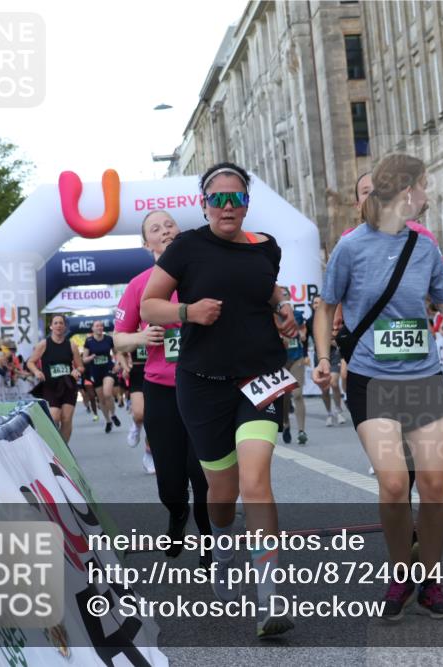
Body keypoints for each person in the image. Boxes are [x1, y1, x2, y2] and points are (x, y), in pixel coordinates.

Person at [314, 153, 443, 620]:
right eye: (423, 187)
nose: (427, 195)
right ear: (405, 191)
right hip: (371, 379)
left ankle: (430, 579)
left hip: (422, 378)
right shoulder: (350, 247)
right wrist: (324, 359)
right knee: (393, 482)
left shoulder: (424, 249)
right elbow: (326, 306)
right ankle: (401, 572)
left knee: (435, 485)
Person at [141, 162, 298, 638]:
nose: (227, 207)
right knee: (223, 496)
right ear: (204, 203)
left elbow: (266, 289)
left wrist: (283, 306)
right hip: (203, 382)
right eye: (218, 199)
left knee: (256, 482)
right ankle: (223, 544)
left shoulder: (266, 246)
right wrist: (189, 311)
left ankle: (270, 598)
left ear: (246, 203)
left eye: (236, 199)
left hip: (259, 378)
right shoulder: (187, 247)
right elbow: (151, 304)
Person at [115, 209, 211, 561]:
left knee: (201, 473)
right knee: (171, 479)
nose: (165, 230)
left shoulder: (202, 275)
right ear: (147, 243)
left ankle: (207, 540)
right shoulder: (140, 285)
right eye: (156, 228)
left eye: (169, 224)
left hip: (203, 385)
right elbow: (119, 340)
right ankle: (177, 513)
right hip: (161, 388)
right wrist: (141, 335)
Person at [27, 314, 84, 443]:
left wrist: (76, 370)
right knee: (54, 417)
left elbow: (80, 366)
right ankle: (55, 444)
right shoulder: (44, 344)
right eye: (56, 323)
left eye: (61, 323)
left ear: (64, 327)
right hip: (51, 387)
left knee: (66, 418)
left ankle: (64, 451)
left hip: (68, 386)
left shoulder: (71, 345)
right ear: (51, 326)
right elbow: (30, 362)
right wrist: (36, 371)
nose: (58, 325)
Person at [306, 296, 348, 427]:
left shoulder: (333, 315)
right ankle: (329, 413)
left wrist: (335, 342)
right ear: (312, 306)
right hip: (319, 355)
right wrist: (304, 354)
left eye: (320, 302)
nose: (318, 305)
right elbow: (305, 338)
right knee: (324, 388)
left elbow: (342, 332)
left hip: (335, 352)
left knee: (334, 382)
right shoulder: (309, 321)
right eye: (315, 303)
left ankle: (339, 410)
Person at [280, 293, 309, 445]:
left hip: (297, 357)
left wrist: (300, 334)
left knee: (297, 394)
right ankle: (286, 424)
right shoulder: (274, 316)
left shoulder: (297, 315)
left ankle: (301, 431)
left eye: (286, 296)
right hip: (281, 361)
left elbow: (304, 333)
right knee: (285, 396)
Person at [83, 321, 121, 433]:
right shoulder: (89, 341)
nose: (100, 327)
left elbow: (117, 353)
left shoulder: (109, 339)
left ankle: (113, 414)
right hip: (95, 371)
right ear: (93, 329)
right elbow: (84, 359)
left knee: (107, 393)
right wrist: (90, 358)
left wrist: (118, 363)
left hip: (108, 369)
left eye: (101, 326)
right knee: (101, 399)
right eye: (97, 326)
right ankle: (108, 421)